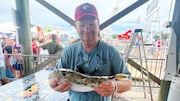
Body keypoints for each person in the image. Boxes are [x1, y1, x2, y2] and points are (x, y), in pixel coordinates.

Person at [49, 2, 132, 101]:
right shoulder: (68, 52)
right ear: (76, 26)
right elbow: (55, 76)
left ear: (98, 25)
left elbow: (128, 82)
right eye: (82, 25)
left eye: (91, 24)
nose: (87, 29)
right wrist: (54, 85)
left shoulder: (111, 51)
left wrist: (115, 86)